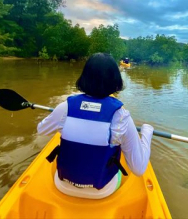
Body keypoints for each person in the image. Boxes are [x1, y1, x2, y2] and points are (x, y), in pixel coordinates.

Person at [37, 53, 154, 199]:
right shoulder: (121, 116)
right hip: (102, 191)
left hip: (62, 186)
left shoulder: (65, 107)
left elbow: (41, 129)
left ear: (84, 77)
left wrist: (57, 116)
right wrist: (147, 132)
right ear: (115, 81)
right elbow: (139, 168)